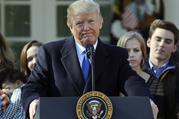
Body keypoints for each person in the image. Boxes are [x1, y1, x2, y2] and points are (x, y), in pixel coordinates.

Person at [22, 0, 157, 119]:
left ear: (100, 23)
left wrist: (146, 101)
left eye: (91, 21)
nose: (86, 28)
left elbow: (133, 84)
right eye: (80, 23)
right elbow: (33, 86)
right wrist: (33, 101)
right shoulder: (51, 53)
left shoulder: (116, 55)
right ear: (70, 27)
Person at [144, 19, 179, 119]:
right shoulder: (135, 70)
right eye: (158, 39)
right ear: (149, 42)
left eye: (167, 42)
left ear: (174, 48)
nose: (162, 44)